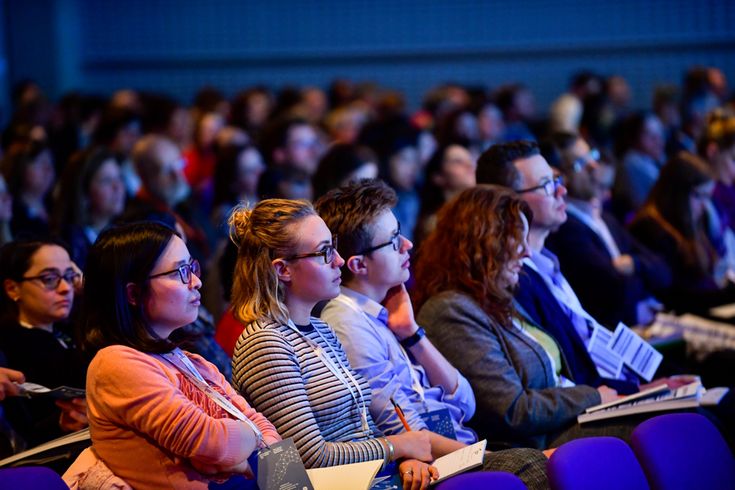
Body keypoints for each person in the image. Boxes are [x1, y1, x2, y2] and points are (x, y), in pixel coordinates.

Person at [316, 179, 548, 489]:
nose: (407, 244)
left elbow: (466, 402)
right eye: (393, 239)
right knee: (531, 465)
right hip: (432, 467)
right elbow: (405, 430)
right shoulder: (348, 322)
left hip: (455, 448)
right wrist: (489, 457)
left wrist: (412, 334)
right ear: (358, 264)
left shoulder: (381, 313)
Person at [229, 199, 442, 489]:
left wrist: (407, 458)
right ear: (283, 270)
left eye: (335, 247)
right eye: (325, 252)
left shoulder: (321, 330)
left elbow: (364, 428)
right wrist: (398, 448)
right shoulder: (265, 344)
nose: (339, 260)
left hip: (379, 480)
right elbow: (310, 457)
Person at [413, 184, 624, 449]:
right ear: (484, 242)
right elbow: (513, 411)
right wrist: (592, 397)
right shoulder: (450, 311)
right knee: (657, 429)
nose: (527, 252)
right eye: (518, 238)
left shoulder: (496, 295)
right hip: (535, 444)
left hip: (565, 424)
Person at [76, 222, 280, 489]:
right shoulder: (116, 363)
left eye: (192, 268)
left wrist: (243, 448)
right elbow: (213, 443)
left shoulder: (189, 360)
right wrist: (245, 444)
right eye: (180, 272)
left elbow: (261, 424)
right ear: (134, 293)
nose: (196, 281)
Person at [476, 141, 642, 394]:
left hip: (612, 382)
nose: (562, 191)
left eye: (557, 180)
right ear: (507, 202)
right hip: (588, 401)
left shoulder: (547, 260)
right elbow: (571, 374)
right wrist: (640, 391)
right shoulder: (513, 279)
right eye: (546, 185)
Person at [542, 133, 671, 327]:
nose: (594, 167)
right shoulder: (565, 228)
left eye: (591, 157)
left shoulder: (606, 219)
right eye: (579, 163)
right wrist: (640, 285)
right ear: (558, 177)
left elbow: (664, 270)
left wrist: (634, 264)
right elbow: (615, 291)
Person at [0, 238, 88, 449]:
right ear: (13, 289)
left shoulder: (66, 329)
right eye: (50, 278)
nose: (66, 288)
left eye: (69, 276)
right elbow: (25, 433)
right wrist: (60, 423)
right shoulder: (12, 347)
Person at [629, 152, 735, 313]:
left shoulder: (695, 220)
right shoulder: (650, 229)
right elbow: (676, 298)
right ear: (676, 193)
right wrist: (727, 294)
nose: (705, 206)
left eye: (708, 197)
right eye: (700, 196)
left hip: (701, 309)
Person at [53, 147, 126, 268]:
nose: (118, 187)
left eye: (119, 178)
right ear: (83, 192)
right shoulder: (69, 245)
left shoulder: (122, 232)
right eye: (106, 181)